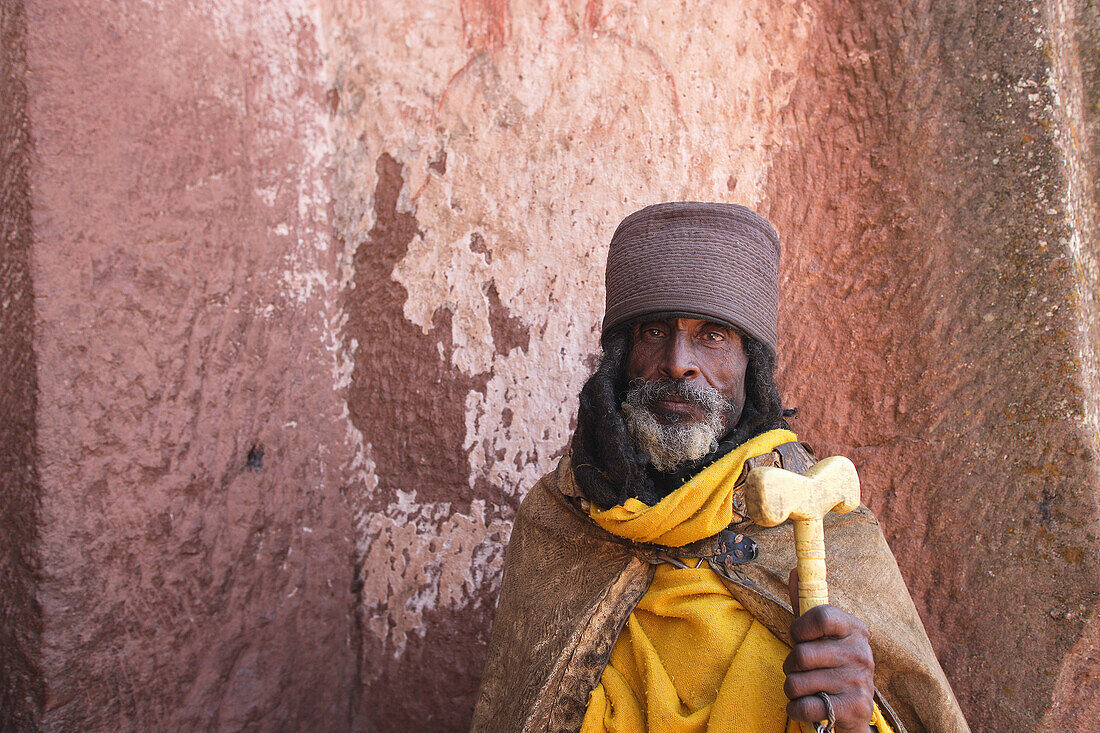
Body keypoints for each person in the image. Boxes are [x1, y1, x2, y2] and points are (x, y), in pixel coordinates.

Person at [471, 203, 970, 733]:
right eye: (654, 332)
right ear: (620, 359)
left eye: (712, 336)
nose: (679, 361)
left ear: (749, 368)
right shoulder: (559, 522)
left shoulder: (822, 523)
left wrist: (852, 724)